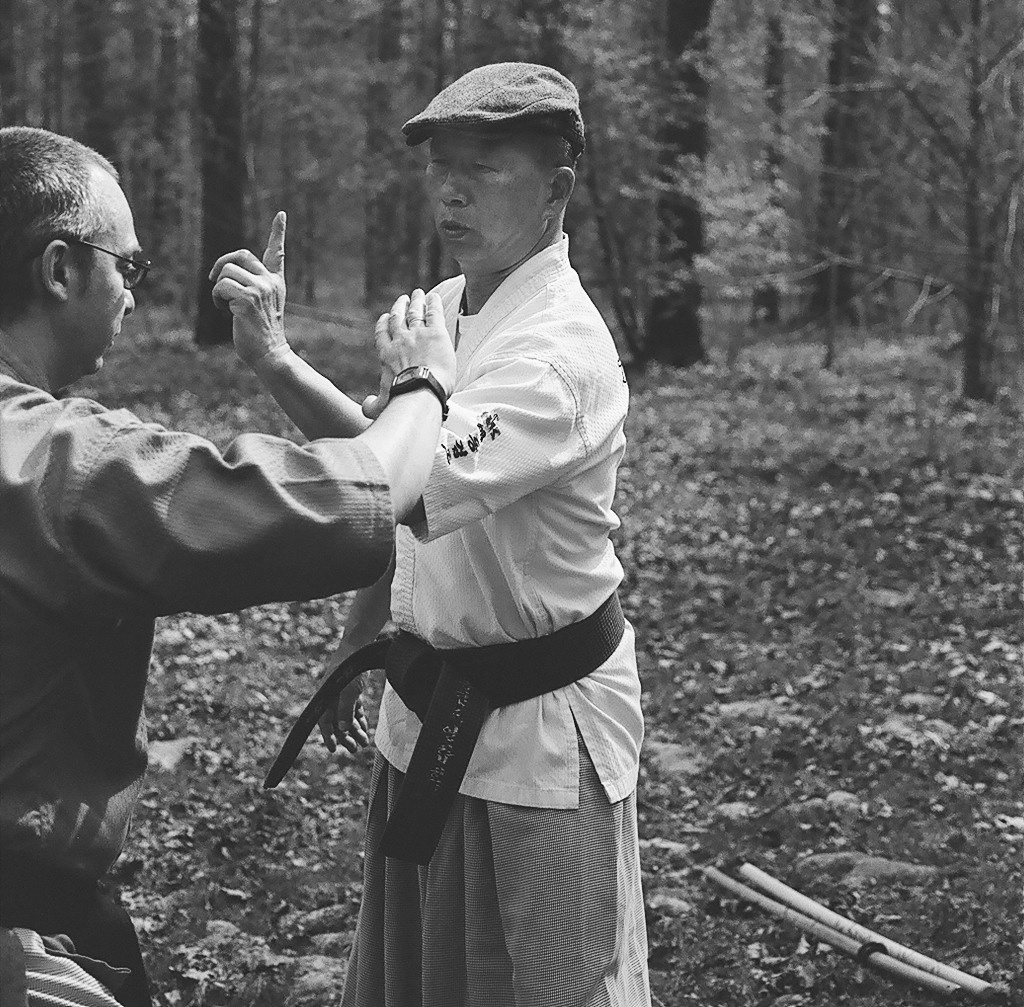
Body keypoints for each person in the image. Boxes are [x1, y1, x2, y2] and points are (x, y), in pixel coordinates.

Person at [0, 125, 455, 1007]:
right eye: (124, 269)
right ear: (59, 270)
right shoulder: (62, 463)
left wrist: (272, 355)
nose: (134, 296)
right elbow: (342, 496)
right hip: (27, 921)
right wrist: (421, 385)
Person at [300, 63, 652, 1006]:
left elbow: (402, 482)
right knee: (423, 979)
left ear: (556, 188)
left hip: (538, 737)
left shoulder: (559, 354)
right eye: (441, 167)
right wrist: (274, 357)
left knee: (547, 986)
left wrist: (416, 387)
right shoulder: (455, 308)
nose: (451, 190)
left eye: (485, 168)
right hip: (429, 717)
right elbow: (390, 468)